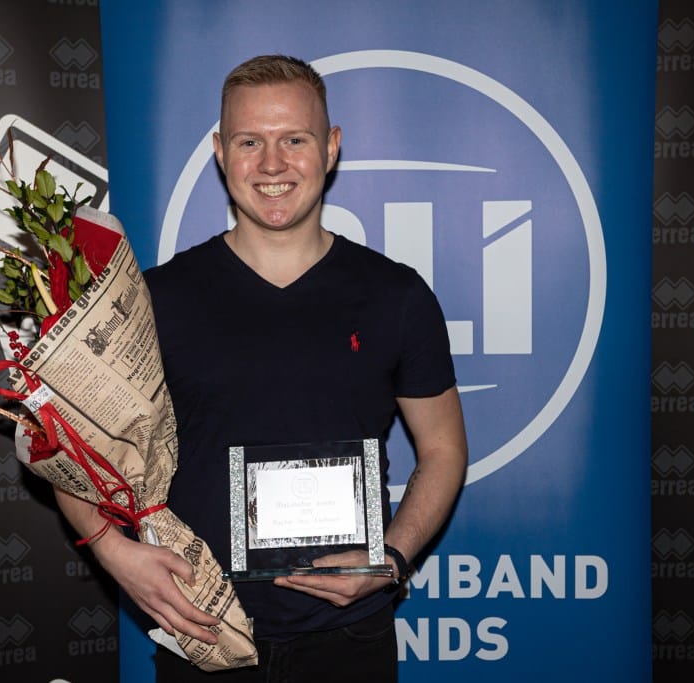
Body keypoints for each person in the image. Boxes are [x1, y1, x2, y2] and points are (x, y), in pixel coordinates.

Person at [55, 54, 468, 682]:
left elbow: (443, 448)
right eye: (250, 142)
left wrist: (392, 556)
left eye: (294, 140)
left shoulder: (397, 296)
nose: (272, 164)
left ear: (331, 147)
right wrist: (114, 553)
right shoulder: (153, 299)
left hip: (349, 638)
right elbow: (68, 446)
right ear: (221, 152)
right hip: (204, 634)